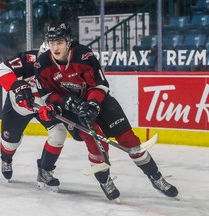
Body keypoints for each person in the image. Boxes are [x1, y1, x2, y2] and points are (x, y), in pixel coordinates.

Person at [33, 22, 178, 200]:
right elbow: (46, 94)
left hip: (98, 101)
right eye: (52, 43)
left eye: (60, 42)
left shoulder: (83, 55)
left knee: (129, 140)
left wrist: (93, 103)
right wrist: (67, 102)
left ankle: (156, 178)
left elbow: (100, 84)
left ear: (69, 41)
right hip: (71, 110)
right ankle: (105, 180)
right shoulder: (42, 64)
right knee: (97, 145)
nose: (56, 47)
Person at [0, 44, 67, 192]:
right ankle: (6, 159)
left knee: (59, 132)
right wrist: (18, 85)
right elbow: (1, 70)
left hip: (45, 108)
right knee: (10, 143)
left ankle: (45, 171)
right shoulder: (27, 60)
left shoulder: (64, 66)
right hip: (18, 108)